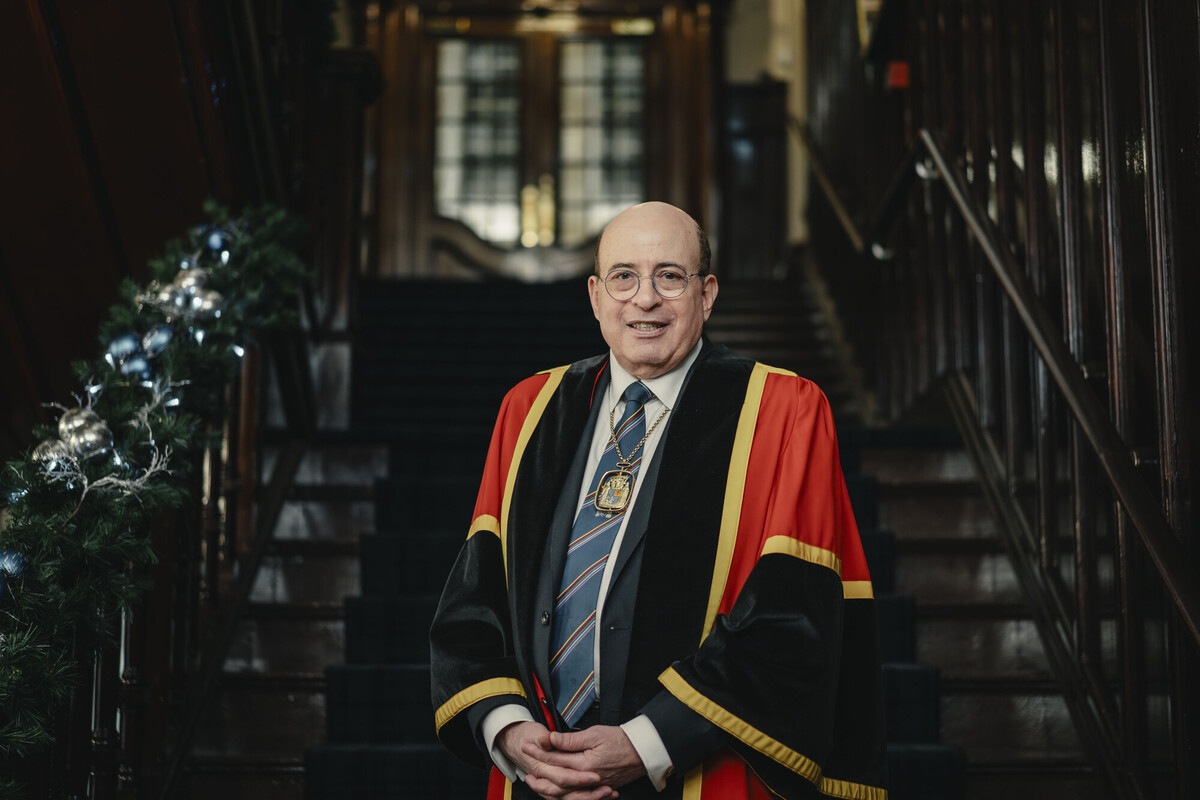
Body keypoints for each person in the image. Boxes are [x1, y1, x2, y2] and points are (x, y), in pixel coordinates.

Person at [431, 202, 887, 800]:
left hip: (701, 770)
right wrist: (509, 731)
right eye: (623, 276)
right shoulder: (531, 408)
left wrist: (647, 743)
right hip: (542, 776)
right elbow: (476, 599)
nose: (644, 299)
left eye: (670, 275)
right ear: (595, 295)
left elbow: (791, 616)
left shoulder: (784, 412)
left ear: (708, 294)